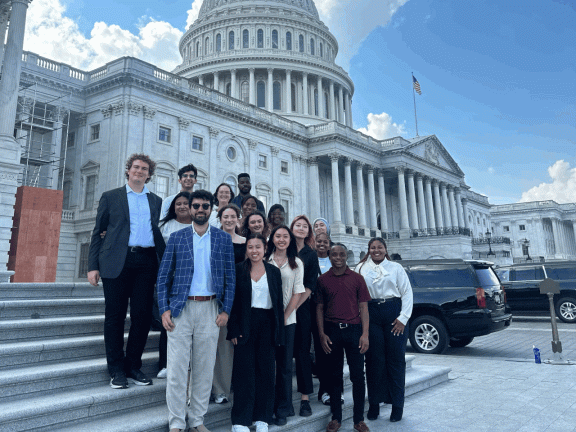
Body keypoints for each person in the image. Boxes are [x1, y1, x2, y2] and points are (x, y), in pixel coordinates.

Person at [157, 190, 236, 432]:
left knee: (203, 369)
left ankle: (197, 420)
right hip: (181, 309)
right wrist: (164, 310)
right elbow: (163, 278)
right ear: (189, 209)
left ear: (211, 209)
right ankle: (176, 423)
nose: (200, 210)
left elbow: (230, 278)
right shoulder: (178, 238)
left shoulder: (222, 239)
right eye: (196, 206)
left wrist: (226, 311)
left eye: (205, 206)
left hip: (211, 309)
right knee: (177, 371)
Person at [87, 153, 165, 389]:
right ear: (128, 170)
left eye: (144, 169)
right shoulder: (111, 197)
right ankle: (116, 369)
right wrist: (93, 266)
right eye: (136, 167)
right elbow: (97, 232)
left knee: (141, 317)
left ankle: (133, 365)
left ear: (149, 174)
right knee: (115, 317)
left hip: (146, 262)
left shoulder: (157, 201)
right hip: (116, 262)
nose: (139, 171)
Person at [228, 234, 286, 432]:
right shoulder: (238, 270)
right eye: (250, 247)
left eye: (258, 247)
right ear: (246, 249)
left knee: (266, 373)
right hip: (245, 324)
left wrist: (279, 332)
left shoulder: (273, 271)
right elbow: (233, 303)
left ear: (264, 249)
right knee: (244, 373)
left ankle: (262, 417)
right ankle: (241, 421)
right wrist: (233, 328)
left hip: (267, 324)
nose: (254, 251)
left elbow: (278, 303)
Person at [355, 238, 413, 423]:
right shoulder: (361, 268)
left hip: (393, 312)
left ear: (385, 249)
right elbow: (356, 293)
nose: (376, 250)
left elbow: (407, 293)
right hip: (371, 314)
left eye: (380, 247)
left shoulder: (396, 268)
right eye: (373, 247)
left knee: (396, 360)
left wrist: (403, 318)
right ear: (369, 250)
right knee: (373, 360)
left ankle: (397, 405)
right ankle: (374, 403)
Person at [316, 243, 371, 432]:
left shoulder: (357, 279)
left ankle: (359, 420)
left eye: (341, 254)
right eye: (334, 254)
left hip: (354, 330)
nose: (338, 257)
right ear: (329, 256)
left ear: (346, 256)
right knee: (334, 376)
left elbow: (364, 307)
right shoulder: (323, 280)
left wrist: (365, 334)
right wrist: (322, 334)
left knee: (357, 376)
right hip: (332, 331)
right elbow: (319, 308)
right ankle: (336, 418)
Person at [265, 225, 305, 426]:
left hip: (288, 321)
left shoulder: (296, 262)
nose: (281, 240)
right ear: (272, 239)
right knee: (267, 366)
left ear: (290, 240)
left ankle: (283, 407)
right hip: (265, 320)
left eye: (285, 237)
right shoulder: (264, 260)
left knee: (284, 366)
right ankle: (267, 407)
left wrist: (284, 317)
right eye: (278, 236)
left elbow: (298, 293)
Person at [211, 203, 246, 405]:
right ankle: (215, 388)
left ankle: (228, 387)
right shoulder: (213, 239)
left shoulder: (245, 242)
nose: (229, 220)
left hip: (239, 296)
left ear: (238, 219)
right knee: (217, 344)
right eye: (226, 216)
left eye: (233, 216)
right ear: (220, 218)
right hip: (217, 295)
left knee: (231, 345)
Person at [155, 191, 193, 379]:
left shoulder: (198, 226)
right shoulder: (165, 226)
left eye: (186, 203)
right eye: (178, 204)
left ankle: (187, 365)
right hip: (171, 278)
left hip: (192, 280)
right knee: (169, 320)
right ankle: (165, 363)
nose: (182, 206)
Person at [290, 215, 320, 417]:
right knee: (282, 353)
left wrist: (294, 306)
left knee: (302, 353)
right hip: (283, 307)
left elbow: (310, 285)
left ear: (309, 231)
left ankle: (305, 399)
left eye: (304, 226)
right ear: (292, 228)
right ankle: (282, 397)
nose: (301, 228)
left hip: (301, 309)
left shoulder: (311, 254)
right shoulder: (283, 247)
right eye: (297, 225)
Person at [311, 231, 336, 405]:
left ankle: (335, 389)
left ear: (329, 243)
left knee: (334, 353)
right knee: (321, 352)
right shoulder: (310, 260)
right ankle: (324, 390)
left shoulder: (335, 259)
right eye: (318, 241)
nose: (321, 244)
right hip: (315, 310)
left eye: (325, 241)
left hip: (334, 312)